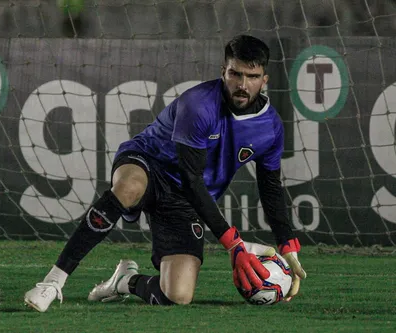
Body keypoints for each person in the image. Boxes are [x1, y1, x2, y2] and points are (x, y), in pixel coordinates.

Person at [24, 34, 307, 311]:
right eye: (235, 74)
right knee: (128, 188)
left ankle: (126, 281)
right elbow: (191, 177)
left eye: (252, 76)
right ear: (224, 72)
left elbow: (270, 186)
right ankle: (53, 282)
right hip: (150, 163)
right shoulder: (199, 105)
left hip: (184, 200)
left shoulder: (270, 128)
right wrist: (233, 243)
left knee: (178, 295)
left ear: (264, 80)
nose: (242, 85)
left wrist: (287, 243)